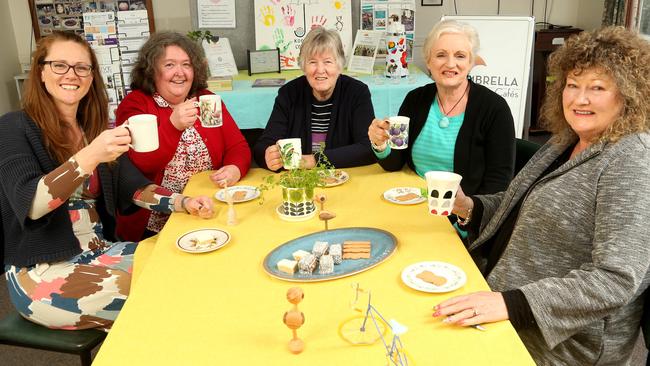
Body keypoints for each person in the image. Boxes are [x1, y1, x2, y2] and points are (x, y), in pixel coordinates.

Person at [434, 26, 650, 365]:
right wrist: (469, 206)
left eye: (597, 88)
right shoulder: (566, 140)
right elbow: (521, 209)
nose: (579, 99)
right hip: (500, 292)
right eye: (572, 85)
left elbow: (616, 278)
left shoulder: (631, 159)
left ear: (629, 94)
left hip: (561, 342)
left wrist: (512, 304)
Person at [0, 31, 214, 330]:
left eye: (82, 67)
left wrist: (183, 202)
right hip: (43, 272)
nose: (71, 75)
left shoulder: (92, 129)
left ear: (91, 76)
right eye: (60, 65)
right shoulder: (14, 126)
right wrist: (91, 155)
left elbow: (135, 187)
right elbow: (33, 203)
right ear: (41, 73)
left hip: (102, 251)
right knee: (167, 293)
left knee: (192, 262)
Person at [116, 32, 250, 241]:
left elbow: (238, 146)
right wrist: (173, 125)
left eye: (186, 65)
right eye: (169, 65)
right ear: (152, 71)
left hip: (207, 209)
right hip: (156, 222)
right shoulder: (137, 105)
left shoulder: (206, 100)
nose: (180, 72)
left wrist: (234, 168)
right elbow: (141, 165)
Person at [368, 20, 515, 198]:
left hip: (462, 213)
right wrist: (380, 143)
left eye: (460, 56)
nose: (450, 64)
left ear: (470, 63)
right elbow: (394, 163)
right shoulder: (415, 100)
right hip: (412, 200)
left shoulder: (494, 109)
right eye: (441, 55)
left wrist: (467, 215)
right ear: (428, 61)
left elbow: (498, 183)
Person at [253, 27, 375, 171]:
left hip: (344, 178)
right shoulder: (289, 94)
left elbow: (368, 148)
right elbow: (262, 146)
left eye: (328, 62)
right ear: (303, 66)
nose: (320, 70)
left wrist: (313, 160)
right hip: (299, 183)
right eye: (312, 62)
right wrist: (268, 156)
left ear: (340, 65)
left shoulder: (357, 93)